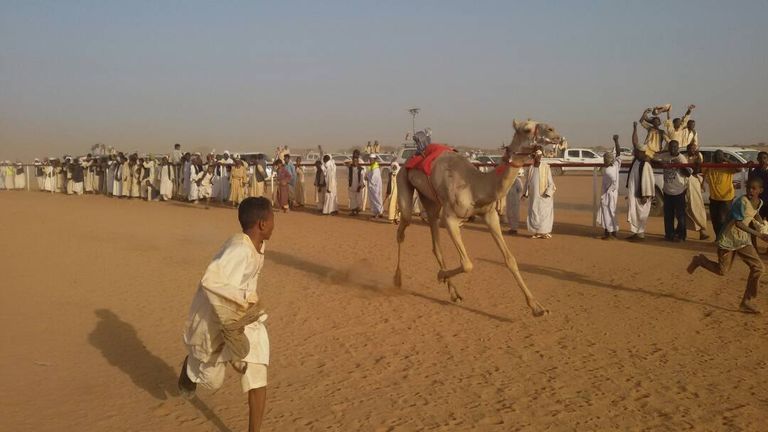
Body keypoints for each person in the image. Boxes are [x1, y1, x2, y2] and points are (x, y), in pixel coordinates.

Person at [178, 196, 274, 432]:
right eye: (272, 219)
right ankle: (191, 368)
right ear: (262, 224)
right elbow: (212, 280)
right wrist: (240, 305)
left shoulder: (258, 244)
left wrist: (247, 309)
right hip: (218, 317)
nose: (275, 224)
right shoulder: (239, 249)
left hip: (246, 317)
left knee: (257, 373)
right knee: (213, 380)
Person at [687, 177, 766, 314]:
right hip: (729, 239)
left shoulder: (759, 203)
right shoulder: (741, 202)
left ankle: (747, 301)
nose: (750, 191)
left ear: (761, 190)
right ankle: (700, 260)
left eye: (754, 188)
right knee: (722, 271)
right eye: (748, 188)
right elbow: (739, 223)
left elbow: (755, 214)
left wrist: (763, 226)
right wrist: (759, 234)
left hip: (742, 240)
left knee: (758, 268)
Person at [626, 122, 656, 241]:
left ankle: (641, 234)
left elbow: (649, 181)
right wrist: (634, 128)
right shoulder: (636, 161)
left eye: (636, 151)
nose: (634, 152)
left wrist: (646, 195)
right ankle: (635, 232)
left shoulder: (646, 164)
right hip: (634, 194)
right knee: (634, 213)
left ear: (641, 152)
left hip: (642, 195)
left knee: (641, 214)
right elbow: (635, 141)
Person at [657, 140, 691, 241]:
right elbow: (653, 159)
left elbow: (688, 173)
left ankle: (681, 235)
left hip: (679, 191)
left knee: (680, 216)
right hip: (667, 191)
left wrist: (679, 165)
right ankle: (669, 234)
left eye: (674, 147)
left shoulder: (681, 158)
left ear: (678, 148)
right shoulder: (665, 156)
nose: (672, 149)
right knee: (668, 215)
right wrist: (660, 162)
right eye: (671, 147)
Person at [704, 150, 741, 237]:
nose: (718, 157)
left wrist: (726, 160)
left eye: (720, 156)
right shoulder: (709, 166)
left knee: (722, 219)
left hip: (726, 198)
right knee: (715, 220)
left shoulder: (727, 166)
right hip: (713, 197)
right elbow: (699, 169)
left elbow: (739, 168)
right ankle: (718, 238)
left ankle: (724, 238)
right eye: (716, 156)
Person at [523, 148, 556, 239]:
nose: (539, 158)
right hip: (534, 197)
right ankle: (537, 232)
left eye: (540, 156)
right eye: (537, 156)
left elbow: (551, 183)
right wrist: (524, 193)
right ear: (534, 157)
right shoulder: (530, 168)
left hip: (544, 196)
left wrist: (548, 193)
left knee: (544, 213)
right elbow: (527, 182)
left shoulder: (546, 167)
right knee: (534, 213)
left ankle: (545, 232)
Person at [597, 135, 622, 240]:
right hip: (613, 193)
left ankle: (609, 234)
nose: (604, 161)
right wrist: (616, 141)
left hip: (608, 194)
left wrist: (608, 191)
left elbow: (613, 182)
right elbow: (619, 154)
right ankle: (613, 232)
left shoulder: (607, 171)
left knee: (607, 213)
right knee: (612, 212)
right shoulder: (615, 165)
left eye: (605, 159)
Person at [685, 143, 709, 240]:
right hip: (685, 181)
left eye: (694, 148)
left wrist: (698, 156)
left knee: (697, 206)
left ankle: (701, 230)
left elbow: (700, 168)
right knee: (685, 208)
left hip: (695, 180)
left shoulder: (699, 156)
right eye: (691, 148)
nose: (693, 150)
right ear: (688, 149)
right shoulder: (684, 157)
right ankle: (682, 231)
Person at [505, 166, 525, 235]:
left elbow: (520, 190)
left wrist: (519, 197)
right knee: (509, 213)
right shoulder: (508, 180)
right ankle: (511, 228)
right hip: (508, 199)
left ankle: (514, 229)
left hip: (515, 199)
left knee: (515, 214)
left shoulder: (517, 180)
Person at [347, 151, 366, 216]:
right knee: (352, 199)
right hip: (351, 186)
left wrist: (360, 185)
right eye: (353, 161)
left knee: (358, 199)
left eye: (356, 161)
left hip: (358, 186)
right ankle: (353, 211)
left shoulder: (361, 169)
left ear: (358, 161)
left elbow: (362, 178)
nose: (355, 162)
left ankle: (357, 211)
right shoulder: (350, 168)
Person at [367, 154, 384, 219]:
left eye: (372, 159)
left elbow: (374, 178)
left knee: (377, 199)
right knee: (373, 200)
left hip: (375, 187)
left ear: (375, 160)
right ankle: (375, 212)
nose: (370, 160)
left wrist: (367, 178)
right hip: (372, 187)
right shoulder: (371, 167)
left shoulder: (375, 168)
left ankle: (379, 212)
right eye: (370, 159)